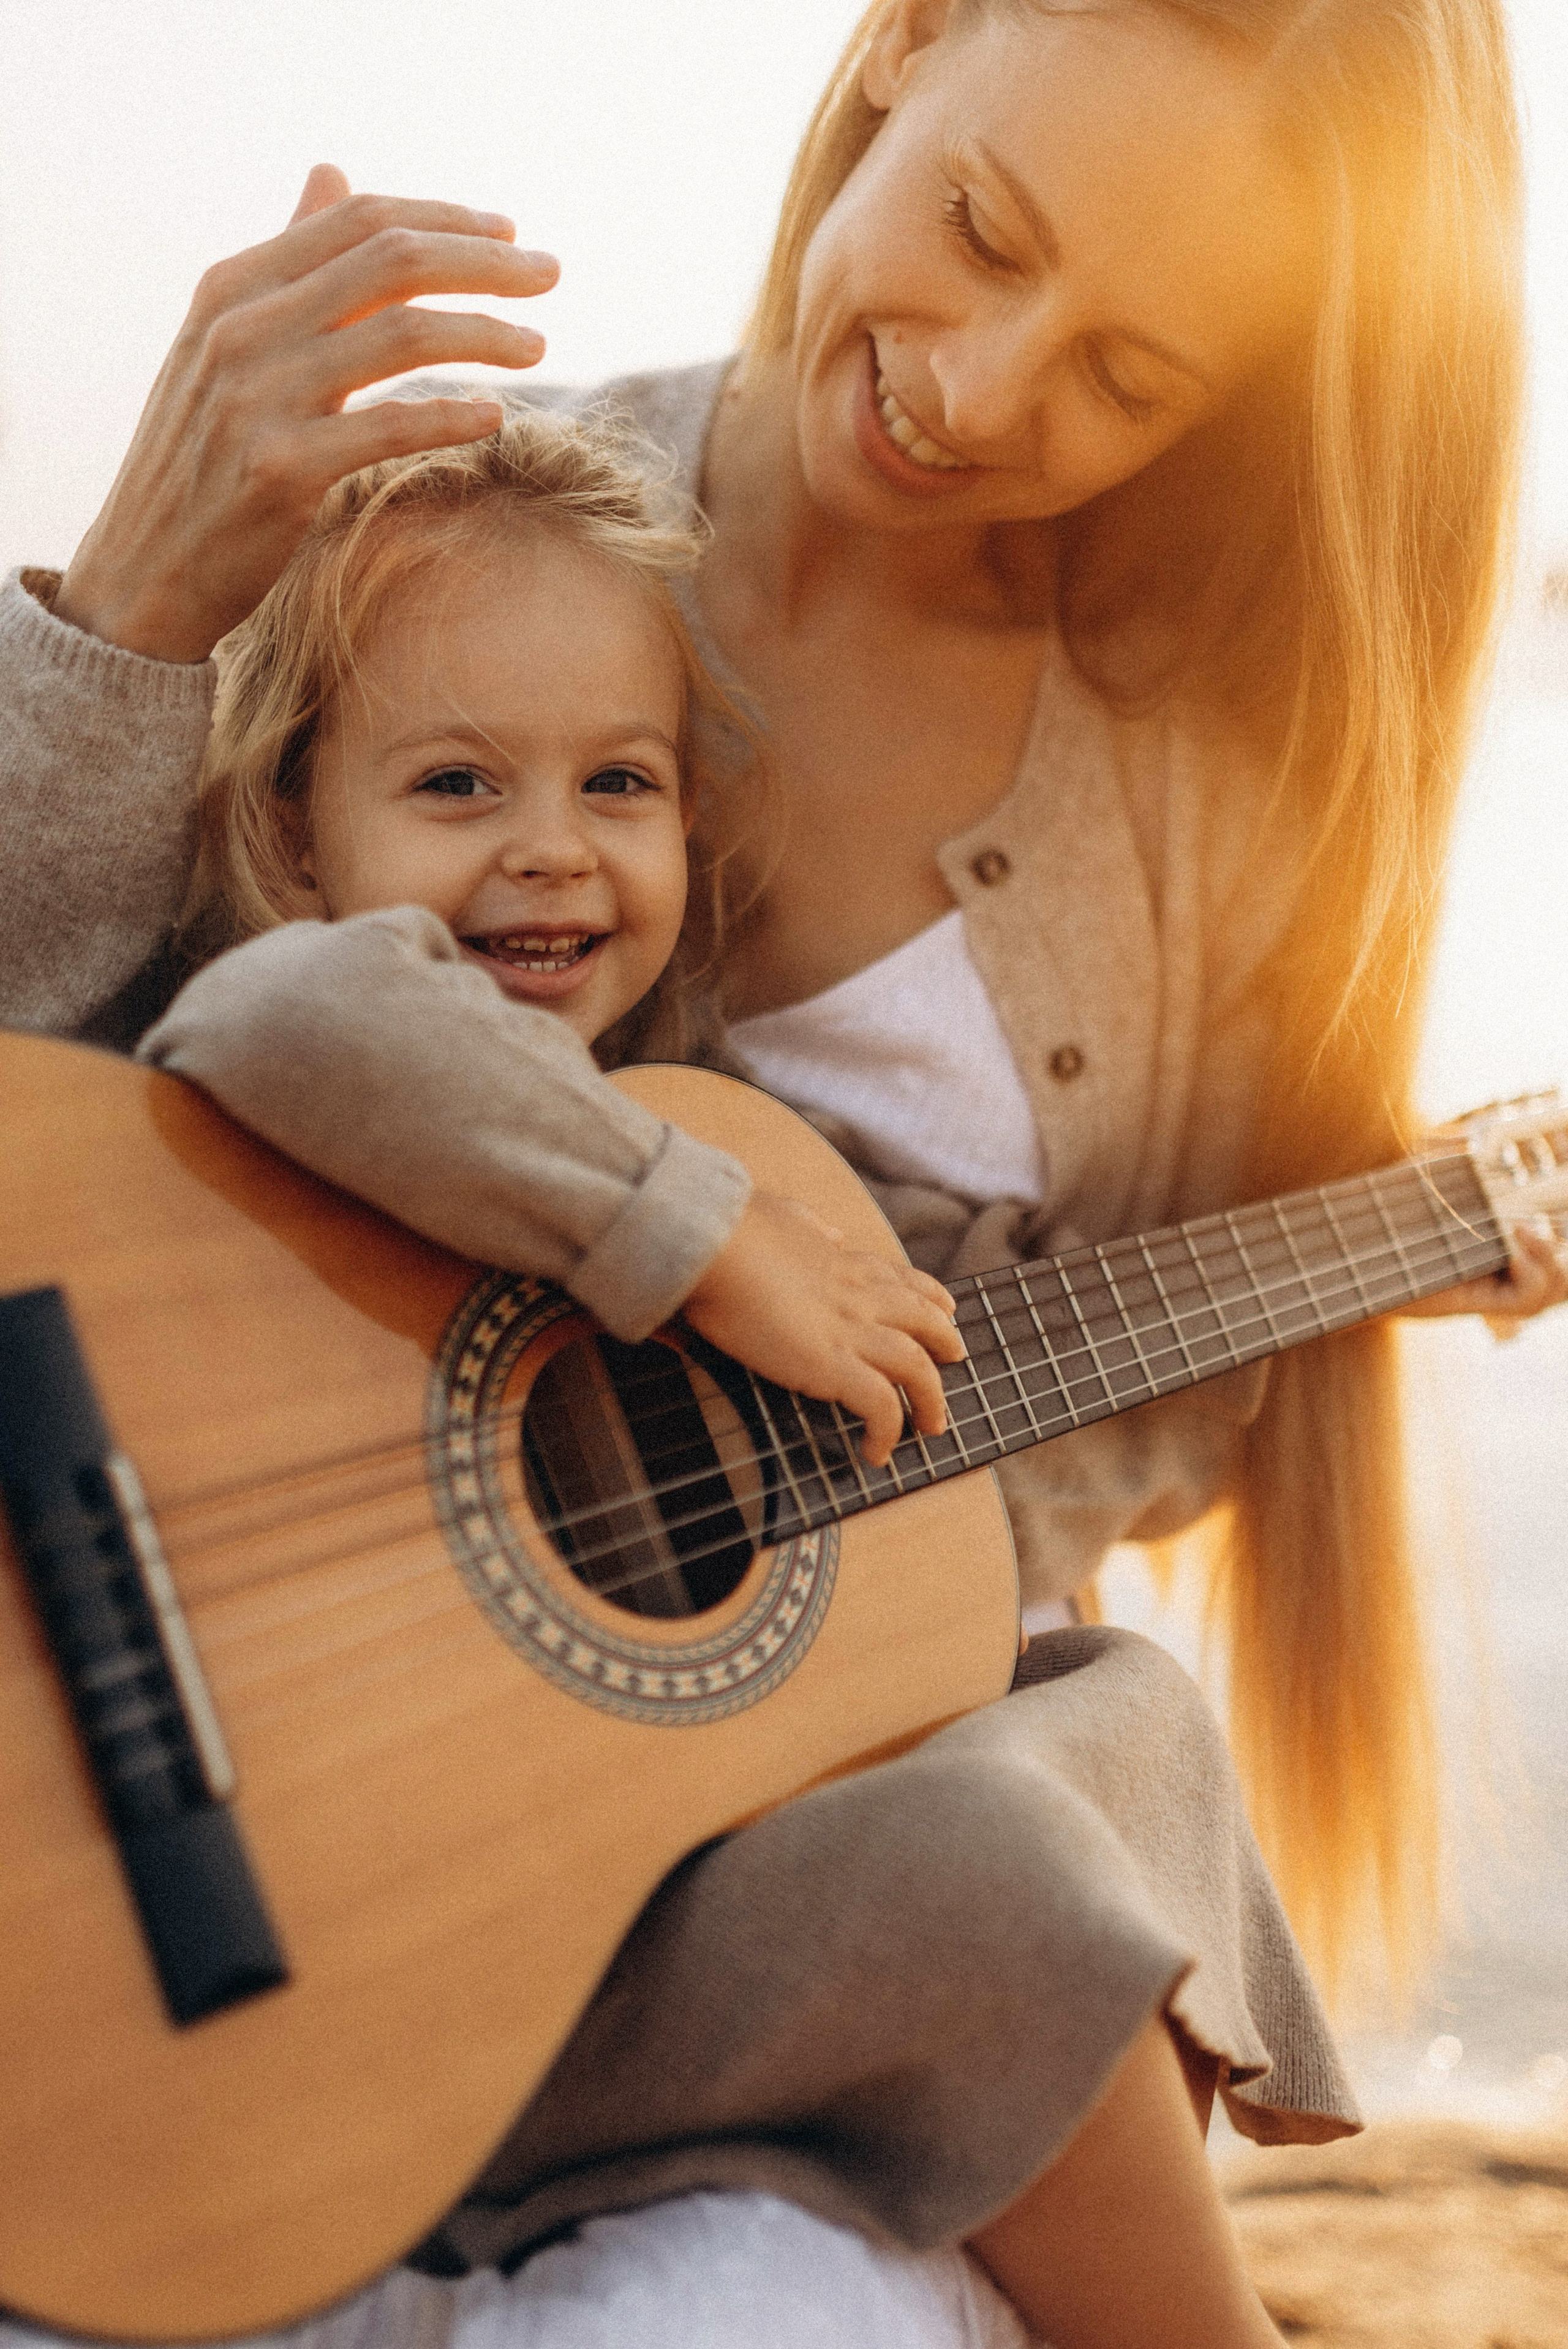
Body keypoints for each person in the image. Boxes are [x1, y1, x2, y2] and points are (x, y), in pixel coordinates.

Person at [1, 0, 1563, 2340]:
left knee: (1029, 1847)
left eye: (1130, 377)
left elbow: (1150, 1428)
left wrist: (1387, 1242)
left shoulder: (1222, 793)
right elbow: (129, 1085)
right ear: (908, 41)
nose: (988, 389)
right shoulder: (471, 546)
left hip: (731, 1894)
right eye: (983, 229)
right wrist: (127, 610)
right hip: (259, 1878)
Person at [128, 396, 1303, 2349]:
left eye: (621, 781)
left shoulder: (724, 1124)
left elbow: (953, 1347)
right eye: (452, 785)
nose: (550, 853)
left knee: (1108, 1704)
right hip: (347, 1965)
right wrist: (695, 1235)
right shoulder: (369, 1102)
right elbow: (292, 1007)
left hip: (579, 1932)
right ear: (290, 825)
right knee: (995, 1853)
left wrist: (1427, 1227)